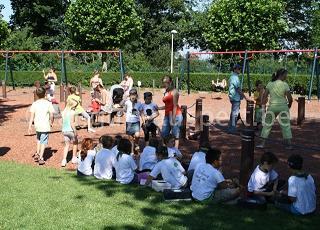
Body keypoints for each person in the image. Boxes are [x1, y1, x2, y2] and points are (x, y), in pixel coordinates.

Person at [257, 69, 293, 149]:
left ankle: (262, 144)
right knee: (286, 125)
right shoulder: (285, 85)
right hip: (283, 106)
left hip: (272, 107)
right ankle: (289, 145)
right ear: (281, 75)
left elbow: (265, 97)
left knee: (267, 125)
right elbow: (290, 98)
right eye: (285, 75)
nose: (286, 76)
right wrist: (289, 105)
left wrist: (263, 106)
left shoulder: (270, 84)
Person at [28, 87, 55, 165]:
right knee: (43, 142)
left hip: (37, 125)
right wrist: (51, 122)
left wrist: (29, 126)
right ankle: (41, 157)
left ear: (36, 94)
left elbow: (32, 116)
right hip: (45, 126)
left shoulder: (35, 103)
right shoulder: (48, 103)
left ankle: (37, 153)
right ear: (45, 94)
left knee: (39, 139)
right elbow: (52, 115)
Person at [227, 64, 252, 134]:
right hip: (235, 97)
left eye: (240, 69)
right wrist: (246, 97)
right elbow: (238, 89)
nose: (240, 70)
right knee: (234, 113)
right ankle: (232, 129)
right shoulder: (235, 77)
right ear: (235, 69)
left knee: (234, 113)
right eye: (238, 69)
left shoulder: (232, 77)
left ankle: (231, 128)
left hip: (233, 97)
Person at [159, 76, 182, 148]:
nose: (165, 84)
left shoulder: (175, 92)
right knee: (164, 134)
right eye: (164, 83)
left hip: (175, 115)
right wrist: (159, 108)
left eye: (167, 82)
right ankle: (165, 150)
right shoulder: (166, 92)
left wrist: (173, 118)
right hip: (167, 115)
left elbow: (175, 105)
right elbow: (168, 105)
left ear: (171, 82)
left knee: (175, 135)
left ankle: (176, 151)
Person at [61, 98, 78, 167]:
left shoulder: (63, 112)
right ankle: (74, 158)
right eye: (74, 106)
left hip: (65, 130)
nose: (75, 108)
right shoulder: (72, 112)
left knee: (66, 145)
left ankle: (64, 160)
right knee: (75, 143)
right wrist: (75, 131)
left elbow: (62, 122)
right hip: (71, 130)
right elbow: (72, 123)